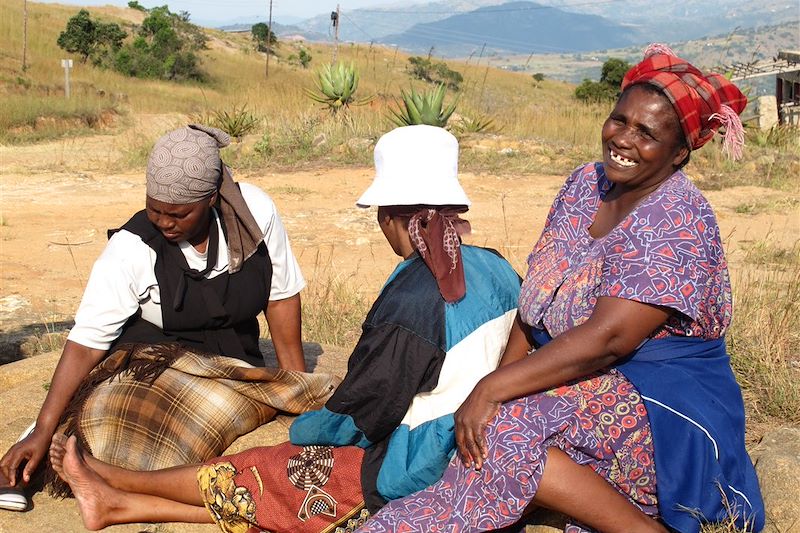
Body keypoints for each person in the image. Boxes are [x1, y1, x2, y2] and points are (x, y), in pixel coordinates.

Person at [358, 45, 765, 533]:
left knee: (510, 434)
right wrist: (497, 388)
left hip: (661, 397)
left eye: (647, 133)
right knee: (485, 431)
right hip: (583, 372)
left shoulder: (677, 217)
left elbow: (610, 339)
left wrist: (493, 389)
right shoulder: (584, 186)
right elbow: (536, 308)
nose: (624, 139)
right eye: (620, 120)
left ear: (679, 154)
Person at [45, 124, 523, 532]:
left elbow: (364, 413)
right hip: (480, 441)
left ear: (390, 216)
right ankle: (122, 504)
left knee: (281, 472)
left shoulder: (411, 299)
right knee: (296, 483)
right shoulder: (500, 269)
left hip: (427, 457)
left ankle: (117, 480)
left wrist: (310, 425)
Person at [0, 124, 312, 498]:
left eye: (178, 214)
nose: (164, 222)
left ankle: (104, 476)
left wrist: (296, 387)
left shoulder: (254, 213)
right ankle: (49, 446)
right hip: (151, 359)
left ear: (212, 198)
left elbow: (281, 297)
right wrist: (41, 427)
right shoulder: (132, 248)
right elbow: (86, 343)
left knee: (192, 435)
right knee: (116, 424)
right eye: (154, 209)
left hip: (230, 363)